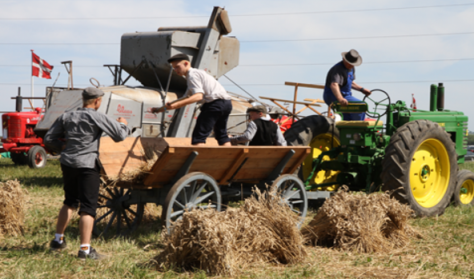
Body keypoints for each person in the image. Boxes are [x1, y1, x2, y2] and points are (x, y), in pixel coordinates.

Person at [44, 87, 130, 260]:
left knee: (69, 201)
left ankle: (58, 240)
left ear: (83, 99)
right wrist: (123, 124)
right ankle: (84, 250)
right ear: (97, 101)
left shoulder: (67, 116)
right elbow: (120, 135)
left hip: (68, 163)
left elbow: (48, 139)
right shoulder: (97, 116)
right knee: (88, 208)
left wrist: (62, 147)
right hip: (87, 165)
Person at [153, 53, 232, 146]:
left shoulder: (192, 75)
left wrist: (175, 105)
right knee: (221, 135)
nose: (175, 70)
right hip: (226, 103)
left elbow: (198, 96)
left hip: (214, 104)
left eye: (177, 67)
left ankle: (198, 159)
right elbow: (183, 99)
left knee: (199, 137)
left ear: (186, 63)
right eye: (174, 68)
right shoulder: (197, 74)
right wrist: (161, 109)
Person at [323, 49, 371, 121]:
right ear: (344, 59)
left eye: (352, 63)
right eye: (349, 63)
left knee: (346, 118)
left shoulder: (351, 68)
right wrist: (340, 99)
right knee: (361, 106)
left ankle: (346, 131)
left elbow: (350, 82)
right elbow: (334, 85)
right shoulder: (338, 69)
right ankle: (356, 130)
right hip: (333, 95)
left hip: (346, 96)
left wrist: (362, 89)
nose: (351, 65)